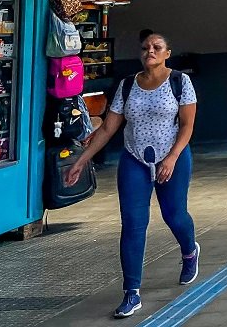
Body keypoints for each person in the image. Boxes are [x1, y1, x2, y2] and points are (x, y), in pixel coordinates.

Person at [64, 32, 198, 319]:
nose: (150, 50)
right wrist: (81, 161)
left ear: (167, 53)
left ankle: (189, 251)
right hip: (134, 159)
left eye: (157, 47)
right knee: (133, 224)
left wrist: (172, 158)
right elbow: (109, 129)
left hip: (171, 156)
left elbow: (187, 126)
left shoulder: (180, 82)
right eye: (146, 47)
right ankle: (132, 292)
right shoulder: (127, 85)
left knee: (174, 216)